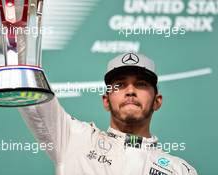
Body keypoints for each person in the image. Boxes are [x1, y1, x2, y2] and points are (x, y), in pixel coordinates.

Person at [18, 52, 198, 175]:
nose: (130, 91)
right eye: (119, 85)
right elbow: (35, 100)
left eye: (141, 84)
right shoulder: (73, 139)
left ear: (157, 101)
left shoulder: (180, 170)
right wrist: (19, 30)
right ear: (106, 100)